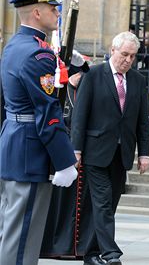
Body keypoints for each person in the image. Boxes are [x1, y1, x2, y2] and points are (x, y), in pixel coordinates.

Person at [0, 0, 78, 265]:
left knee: (11, 233)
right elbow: (48, 112)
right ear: (36, 13)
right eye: (53, 8)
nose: (58, 13)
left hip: (13, 143)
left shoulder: (14, 46)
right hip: (31, 151)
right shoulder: (38, 54)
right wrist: (64, 161)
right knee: (22, 239)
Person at [71, 31, 149, 265]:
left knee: (110, 203)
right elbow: (80, 115)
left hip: (122, 152)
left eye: (132, 56)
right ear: (113, 50)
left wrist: (144, 153)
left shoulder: (137, 80)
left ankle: (91, 253)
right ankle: (111, 253)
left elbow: (142, 121)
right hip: (95, 151)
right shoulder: (94, 74)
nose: (127, 60)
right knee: (103, 200)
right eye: (124, 54)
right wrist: (76, 149)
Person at [40, 51, 92, 259]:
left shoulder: (87, 88)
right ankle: (54, 245)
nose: (81, 78)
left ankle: (74, 247)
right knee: (57, 205)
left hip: (82, 156)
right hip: (59, 154)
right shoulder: (59, 89)